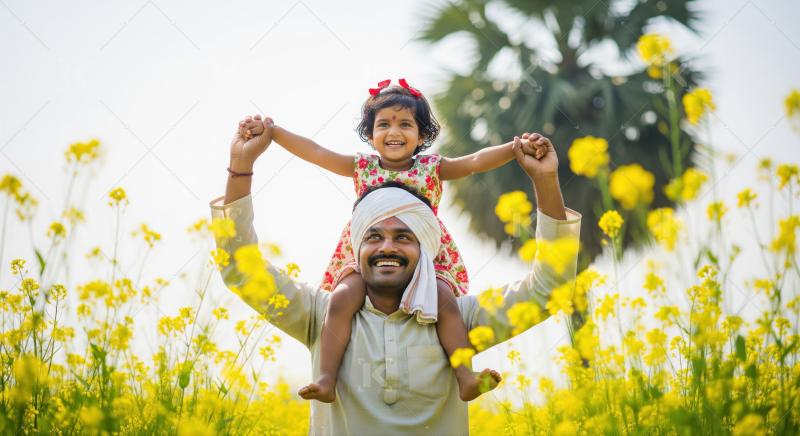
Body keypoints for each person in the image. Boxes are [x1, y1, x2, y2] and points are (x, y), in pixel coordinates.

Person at [211, 113, 581, 434]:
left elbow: (550, 287)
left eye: (404, 236)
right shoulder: (319, 317)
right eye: (373, 236)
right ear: (355, 247)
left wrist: (545, 181)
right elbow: (241, 269)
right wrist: (240, 165)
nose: (387, 247)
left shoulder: (459, 317)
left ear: (426, 247)